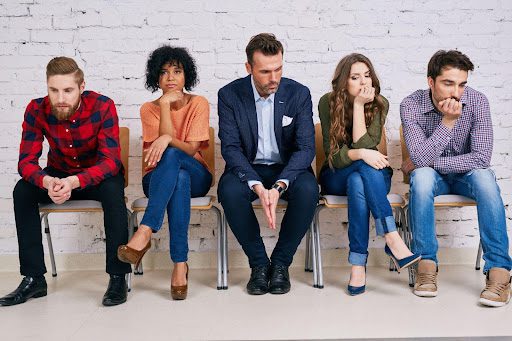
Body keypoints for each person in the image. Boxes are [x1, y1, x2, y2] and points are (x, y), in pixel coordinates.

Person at [0, 57, 131, 307]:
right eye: (54, 90)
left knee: (114, 190)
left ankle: (117, 277)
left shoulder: (102, 106)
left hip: (96, 176)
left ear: (81, 87)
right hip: (57, 175)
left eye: (68, 90)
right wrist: (47, 181)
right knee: (23, 191)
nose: (60, 98)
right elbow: (25, 162)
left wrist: (75, 181)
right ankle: (33, 278)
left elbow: (111, 162)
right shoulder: (36, 109)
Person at [401, 50, 511, 307]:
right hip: (433, 179)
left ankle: (500, 272)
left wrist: (423, 161)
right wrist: (448, 122)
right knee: (424, 177)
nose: (456, 92)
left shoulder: (478, 101)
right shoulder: (411, 105)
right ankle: (426, 265)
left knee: (484, 178)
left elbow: (482, 158)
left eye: (461, 84)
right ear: (431, 82)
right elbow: (420, 160)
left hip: (467, 177)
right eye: (448, 83)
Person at [217, 33, 319, 295]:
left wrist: (279, 186)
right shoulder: (229, 95)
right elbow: (230, 148)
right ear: (249, 68)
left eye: (278, 69)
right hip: (248, 168)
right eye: (265, 71)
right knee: (228, 191)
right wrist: (257, 186)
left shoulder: (298, 93)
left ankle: (281, 265)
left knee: (309, 190)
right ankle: (259, 265)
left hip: (287, 168)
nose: (274, 78)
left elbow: (306, 148)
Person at [318, 53, 421, 295]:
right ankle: (392, 238)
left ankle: (357, 265)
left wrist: (359, 106)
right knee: (359, 168)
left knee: (358, 180)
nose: (364, 82)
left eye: (367, 76)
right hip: (335, 175)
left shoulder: (379, 103)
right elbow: (333, 156)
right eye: (355, 77)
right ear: (343, 82)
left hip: (369, 175)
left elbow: (363, 142)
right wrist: (360, 154)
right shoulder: (327, 102)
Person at [117, 46, 211, 300]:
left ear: (185, 76)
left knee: (173, 156)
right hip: (157, 177)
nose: (170, 78)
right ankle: (180, 264)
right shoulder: (149, 108)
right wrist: (166, 107)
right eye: (164, 72)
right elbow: (164, 148)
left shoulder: (198, 103)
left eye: (177, 71)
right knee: (176, 175)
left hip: (197, 174)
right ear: (156, 78)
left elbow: (191, 151)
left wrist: (168, 136)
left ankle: (145, 231)